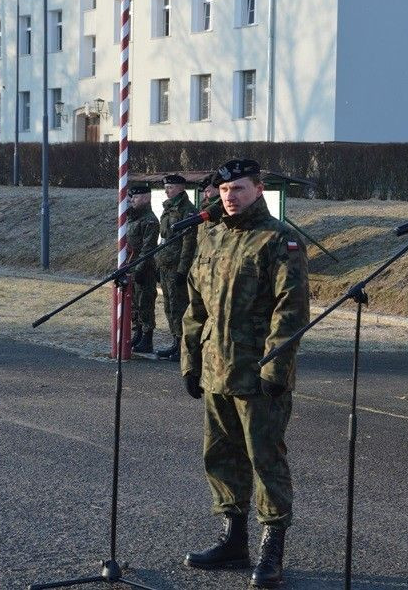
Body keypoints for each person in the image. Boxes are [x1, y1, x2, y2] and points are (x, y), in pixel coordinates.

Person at [180, 159, 310, 589]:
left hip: (257, 374)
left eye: (238, 189)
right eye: (223, 191)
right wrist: (190, 359)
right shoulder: (211, 235)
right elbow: (195, 305)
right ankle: (233, 540)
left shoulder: (279, 240)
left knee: (265, 459)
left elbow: (290, 310)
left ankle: (272, 549)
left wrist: (276, 366)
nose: (229, 197)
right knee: (220, 456)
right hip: (216, 369)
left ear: (258, 188)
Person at [155, 174, 198, 362]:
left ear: (181, 188)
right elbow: (163, 238)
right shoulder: (168, 208)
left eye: (170, 187)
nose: (166, 190)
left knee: (179, 306)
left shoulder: (187, 210)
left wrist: (182, 269)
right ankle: (175, 341)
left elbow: (188, 243)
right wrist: (158, 263)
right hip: (165, 264)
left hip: (176, 267)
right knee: (169, 306)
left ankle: (183, 347)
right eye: (166, 187)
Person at [125, 183, 160, 354]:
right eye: (131, 197)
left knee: (145, 303)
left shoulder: (149, 220)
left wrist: (139, 269)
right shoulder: (133, 218)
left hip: (144, 268)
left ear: (146, 198)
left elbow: (148, 248)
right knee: (134, 304)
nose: (132, 200)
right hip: (132, 266)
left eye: (136, 197)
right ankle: (137, 334)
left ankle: (147, 338)